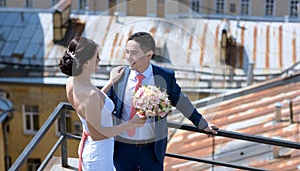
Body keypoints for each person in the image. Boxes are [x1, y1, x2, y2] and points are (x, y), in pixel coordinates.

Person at [107, 32, 218, 171]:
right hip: (123, 148)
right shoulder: (119, 76)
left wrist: (202, 123)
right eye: (127, 52)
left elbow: (181, 101)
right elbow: (104, 104)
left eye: (133, 53)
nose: (128, 57)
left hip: (152, 150)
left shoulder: (165, 76)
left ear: (148, 55)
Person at [59, 36, 146, 171]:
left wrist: (111, 82)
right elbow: (97, 134)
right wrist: (132, 124)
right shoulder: (90, 95)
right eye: (96, 57)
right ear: (86, 63)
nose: (99, 60)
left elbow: (94, 105)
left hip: (92, 149)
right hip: (99, 156)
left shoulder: (72, 81)